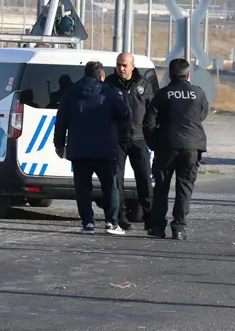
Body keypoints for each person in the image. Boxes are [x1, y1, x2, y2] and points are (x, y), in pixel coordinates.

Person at [53, 61, 130, 235]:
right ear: (101, 76)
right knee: (110, 186)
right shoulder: (109, 92)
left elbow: (61, 121)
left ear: (85, 74)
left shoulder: (71, 93)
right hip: (106, 148)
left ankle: (88, 223)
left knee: (82, 188)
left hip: (79, 149)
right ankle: (111, 222)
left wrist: (59, 145)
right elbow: (125, 114)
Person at [145, 58, 209, 241]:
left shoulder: (163, 94)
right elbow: (202, 115)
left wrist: (154, 144)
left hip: (166, 146)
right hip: (192, 147)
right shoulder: (198, 93)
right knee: (185, 188)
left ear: (169, 75)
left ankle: (157, 227)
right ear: (188, 75)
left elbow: (148, 124)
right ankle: (179, 228)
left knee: (161, 188)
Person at [105, 52, 157, 227]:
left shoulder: (144, 85)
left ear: (132, 66)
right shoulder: (109, 84)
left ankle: (150, 219)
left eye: (125, 65)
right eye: (119, 64)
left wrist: (152, 134)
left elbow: (153, 112)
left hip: (139, 139)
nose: (121, 68)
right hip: (117, 140)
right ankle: (120, 217)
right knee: (116, 180)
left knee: (144, 180)